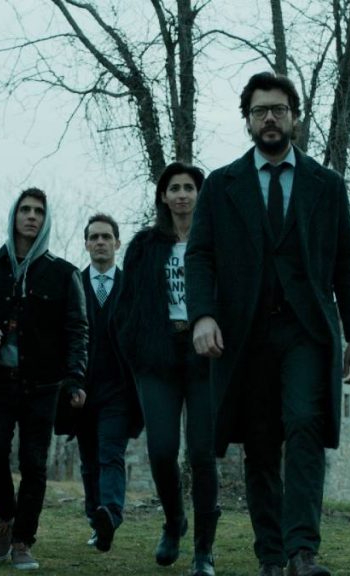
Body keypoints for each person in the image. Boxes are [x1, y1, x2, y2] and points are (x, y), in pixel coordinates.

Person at [185, 71, 350, 576]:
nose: (270, 118)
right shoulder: (221, 185)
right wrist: (203, 315)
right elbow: (200, 255)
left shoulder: (326, 185)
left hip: (306, 330)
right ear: (248, 121)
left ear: (294, 118)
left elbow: (346, 265)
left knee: (305, 423)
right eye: (260, 110)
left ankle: (302, 551)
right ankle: (271, 556)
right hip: (244, 333)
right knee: (261, 441)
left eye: (279, 109)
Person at [0, 188, 88, 571]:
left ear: (45, 220)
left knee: (34, 464)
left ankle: (22, 541)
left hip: (42, 385)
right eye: (25, 210)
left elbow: (78, 330)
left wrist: (75, 378)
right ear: (14, 216)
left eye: (38, 211)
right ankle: (5, 517)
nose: (31, 216)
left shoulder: (63, 273)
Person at [115, 163, 219, 576]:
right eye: (173, 188)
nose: (181, 195)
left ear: (199, 194)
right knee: (161, 450)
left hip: (206, 355)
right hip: (157, 356)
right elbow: (126, 304)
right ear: (163, 196)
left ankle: (204, 550)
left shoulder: (217, 241)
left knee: (202, 452)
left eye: (189, 188)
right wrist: (136, 349)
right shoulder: (144, 246)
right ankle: (174, 521)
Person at [73, 213, 143, 553]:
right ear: (86, 244)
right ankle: (96, 521)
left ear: (117, 243)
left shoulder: (133, 286)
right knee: (88, 461)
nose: (100, 242)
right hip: (81, 389)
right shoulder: (73, 285)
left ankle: (111, 514)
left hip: (119, 390)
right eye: (94, 237)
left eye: (106, 237)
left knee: (110, 453)